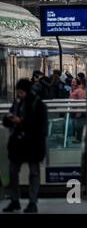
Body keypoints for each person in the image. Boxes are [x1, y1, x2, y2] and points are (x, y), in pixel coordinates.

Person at [2, 79, 48, 213]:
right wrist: (10, 119)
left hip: (33, 144)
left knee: (33, 172)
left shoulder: (38, 104)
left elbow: (39, 126)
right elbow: (7, 121)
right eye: (18, 92)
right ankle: (15, 200)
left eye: (21, 92)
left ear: (27, 91)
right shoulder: (17, 103)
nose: (19, 94)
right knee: (13, 171)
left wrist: (21, 121)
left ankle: (32, 202)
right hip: (18, 145)